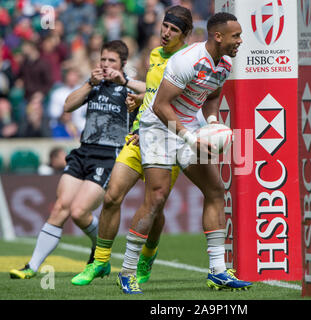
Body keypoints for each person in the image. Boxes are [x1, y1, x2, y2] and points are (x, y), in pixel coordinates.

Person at [118, 12, 251, 294]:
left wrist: (212, 124)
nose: (240, 40)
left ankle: (218, 271)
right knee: (156, 197)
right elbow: (160, 106)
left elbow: (212, 97)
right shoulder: (187, 61)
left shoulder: (225, 64)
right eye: (235, 36)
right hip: (158, 127)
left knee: (216, 191)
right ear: (218, 36)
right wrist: (190, 137)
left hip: (189, 124)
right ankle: (127, 271)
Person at [70, 5, 193, 287]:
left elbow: (182, 102)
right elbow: (155, 94)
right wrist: (140, 102)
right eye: (165, 26)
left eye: (174, 30)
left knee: (155, 207)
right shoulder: (154, 54)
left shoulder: (187, 61)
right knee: (112, 196)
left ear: (185, 35)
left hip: (166, 141)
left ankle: (147, 256)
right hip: (139, 136)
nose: (165, 33)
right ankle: (100, 262)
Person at [9, 40, 143, 279]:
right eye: (103, 59)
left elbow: (153, 92)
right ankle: (32, 266)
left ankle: (100, 252)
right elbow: (68, 106)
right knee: (61, 207)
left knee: (80, 211)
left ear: (122, 64)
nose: (105, 64)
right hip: (83, 151)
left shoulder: (129, 89)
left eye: (111, 61)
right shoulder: (94, 85)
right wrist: (89, 83)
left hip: (108, 155)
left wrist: (123, 80)